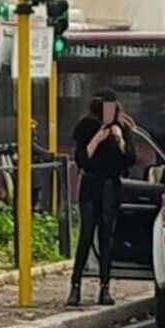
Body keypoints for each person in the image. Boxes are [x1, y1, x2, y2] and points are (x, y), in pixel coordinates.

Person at [67, 88, 137, 307]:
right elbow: (81, 159)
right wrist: (97, 138)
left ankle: (105, 287)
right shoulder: (86, 126)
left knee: (107, 237)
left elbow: (130, 159)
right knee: (86, 235)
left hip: (111, 186)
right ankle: (75, 286)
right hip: (91, 184)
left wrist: (120, 140)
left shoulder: (124, 127)